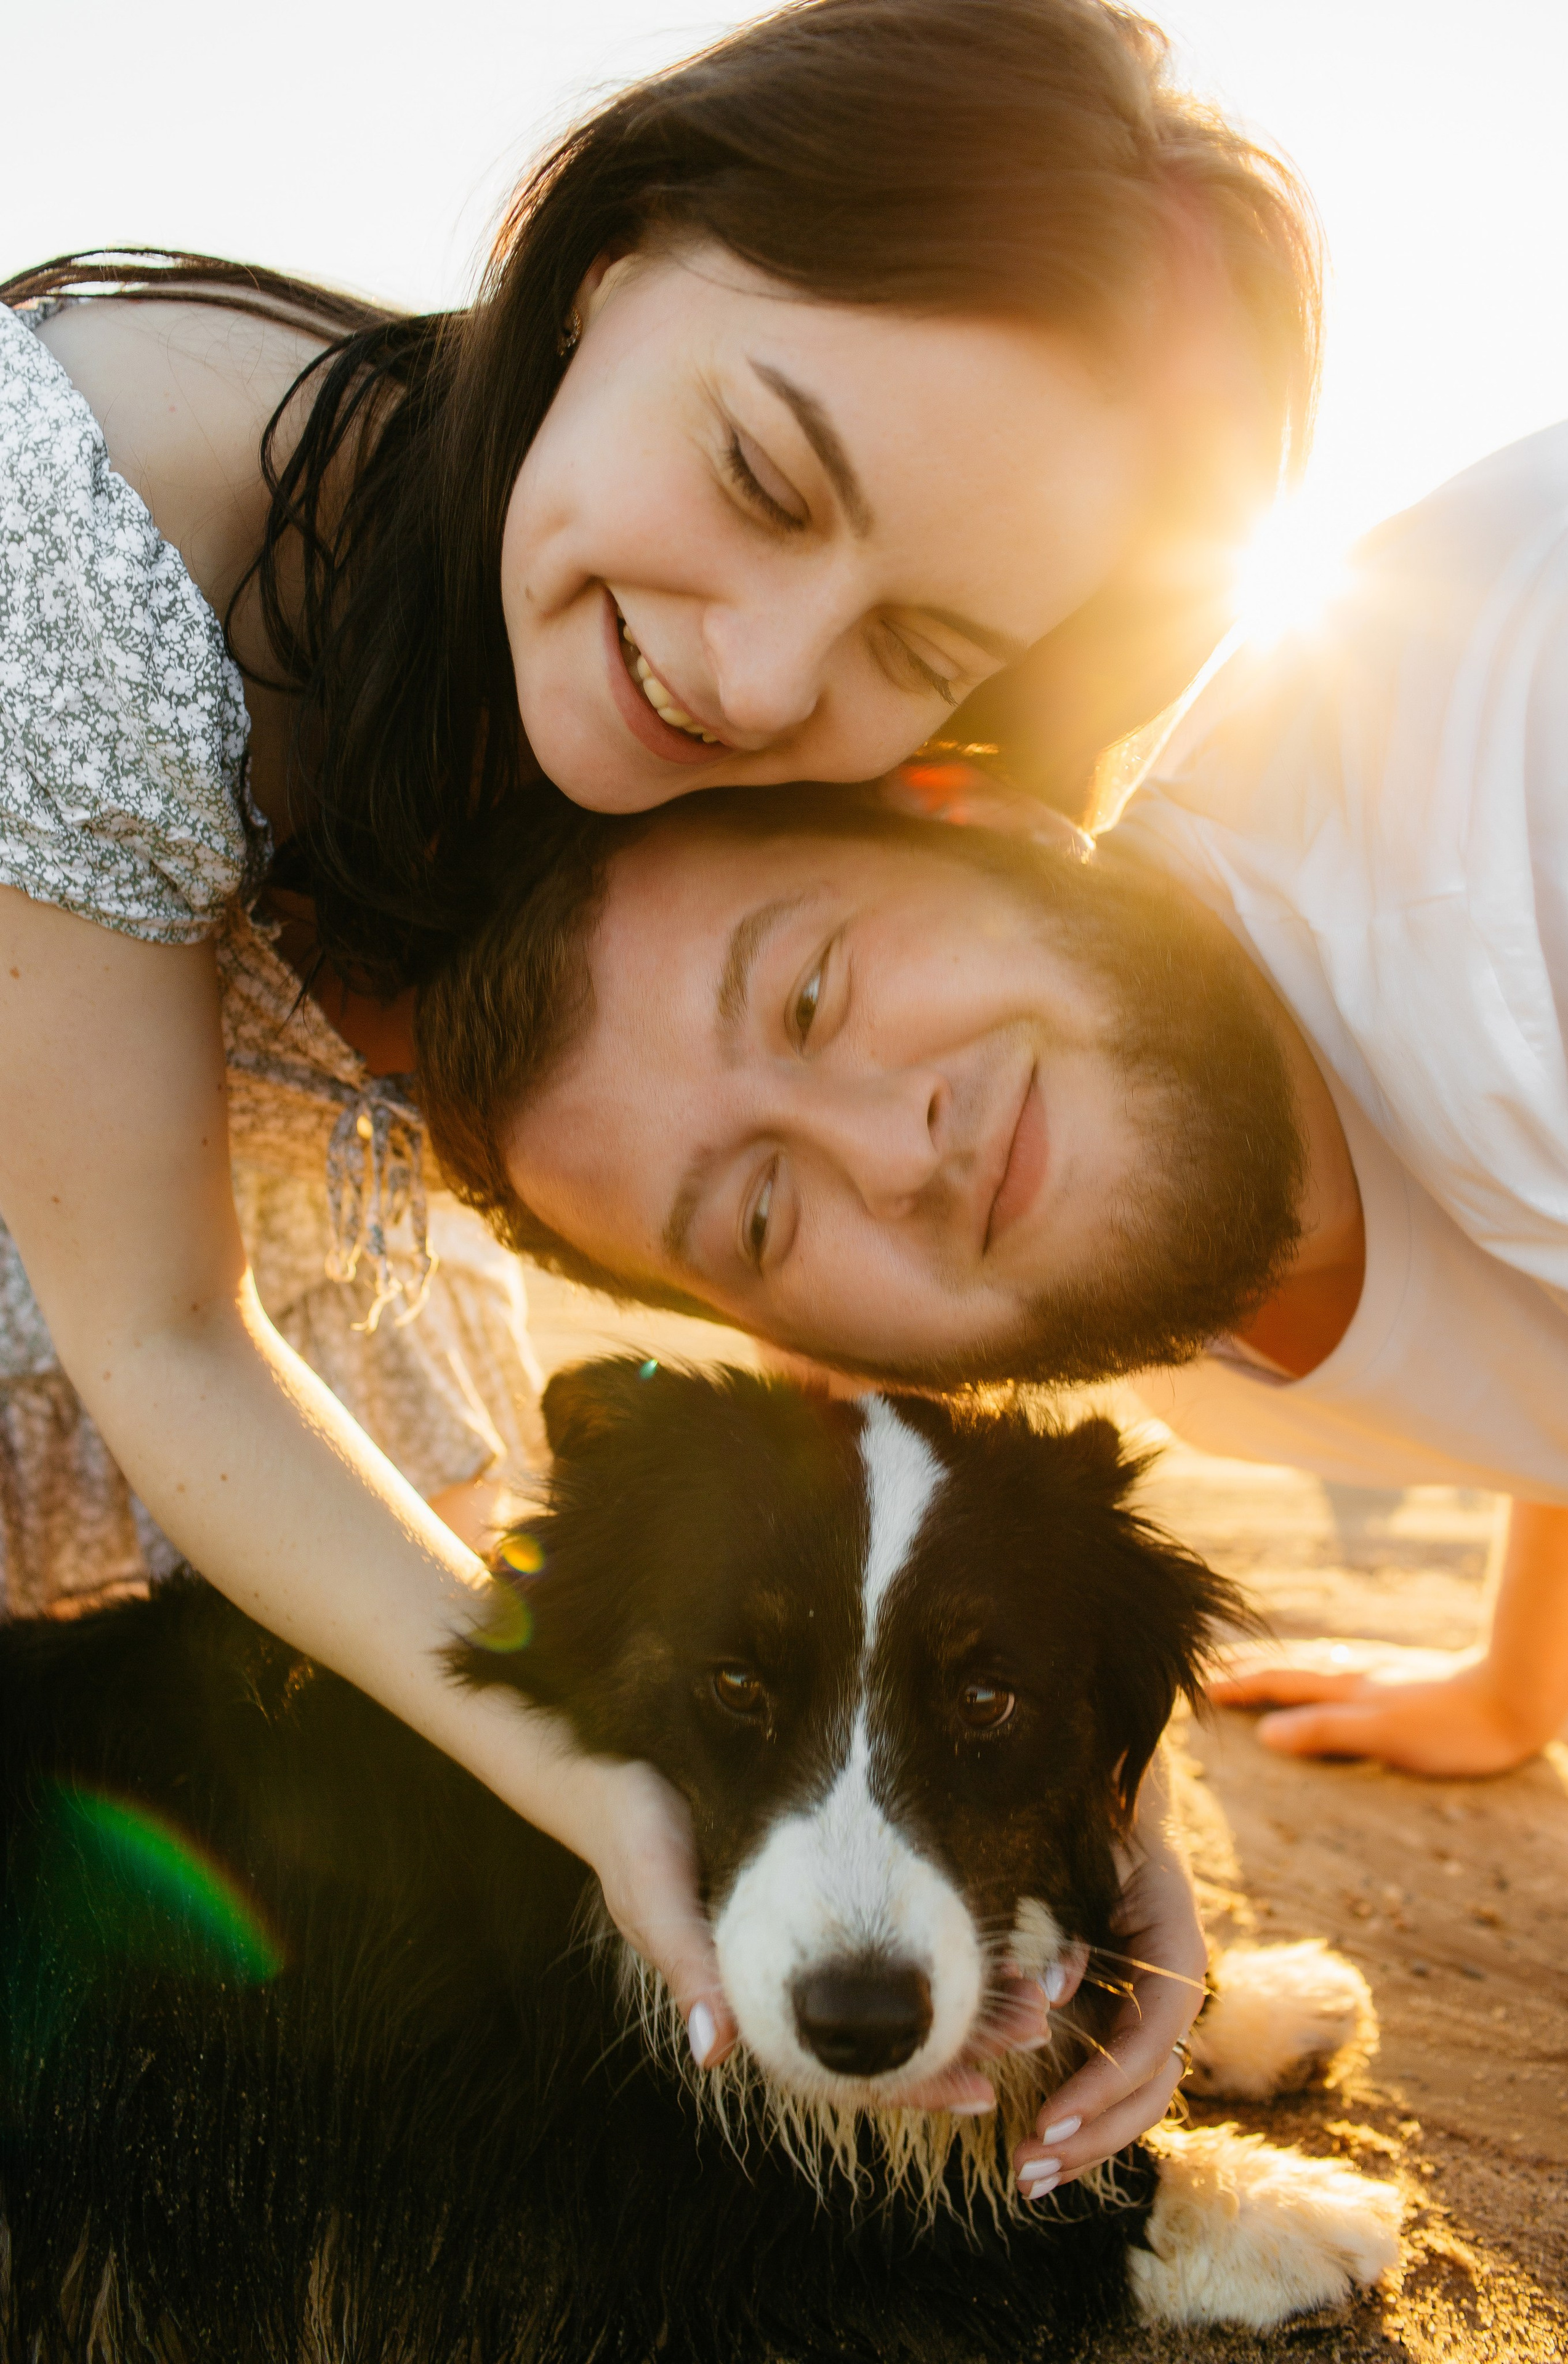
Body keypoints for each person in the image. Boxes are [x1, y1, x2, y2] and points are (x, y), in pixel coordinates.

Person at [1, 0, 1314, 2158]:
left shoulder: (768, 759)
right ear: (616, 248)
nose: (768, 672)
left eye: (916, 644)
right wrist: (591, 1788)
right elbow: (161, 1324)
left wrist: (1041, 1786)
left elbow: (877, 1281)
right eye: (767, 476)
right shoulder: (89, 515)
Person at [418, 411, 1568, 2013]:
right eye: (762, 1215)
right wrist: (1522, 1678)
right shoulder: (1157, 1300)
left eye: (816, 992)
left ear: (986, 817)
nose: (901, 1153)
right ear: (806, 1344)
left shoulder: (1519, 765)